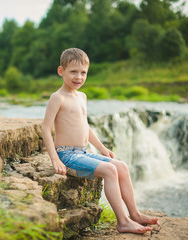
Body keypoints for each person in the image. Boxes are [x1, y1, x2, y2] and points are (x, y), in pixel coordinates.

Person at [42, 48, 159, 234]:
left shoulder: (82, 96)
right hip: (66, 155)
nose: (78, 77)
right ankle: (123, 222)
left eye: (83, 73)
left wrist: (102, 148)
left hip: (83, 152)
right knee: (110, 170)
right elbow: (45, 129)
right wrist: (55, 158)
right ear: (61, 71)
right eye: (73, 71)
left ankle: (134, 213)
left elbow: (84, 126)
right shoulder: (57, 98)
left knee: (121, 166)